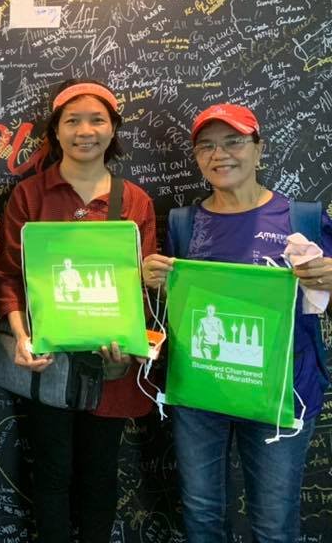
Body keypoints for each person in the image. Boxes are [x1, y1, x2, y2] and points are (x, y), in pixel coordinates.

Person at [142, 103, 332, 543]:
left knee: (274, 524)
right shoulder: (184, 224)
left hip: (282, 393)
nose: (220, 154)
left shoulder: (301, 218)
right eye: (206, 146)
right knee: (202, 514)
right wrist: (154, 284)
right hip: (202, 391)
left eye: (233, 142)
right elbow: (178, 310)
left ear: (258, 150)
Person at [0, 78, 157, 543]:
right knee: (51, 471)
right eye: (73, 121)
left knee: (100, 475)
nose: (85, 131)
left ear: (113, 128)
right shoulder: (31, 195)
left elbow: (140, 289)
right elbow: (8, 275)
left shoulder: (134, 200)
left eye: (97, 120)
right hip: (49, 362)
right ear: (56, 131)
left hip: (110, 365)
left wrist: (131, 345)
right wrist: (21, 336)